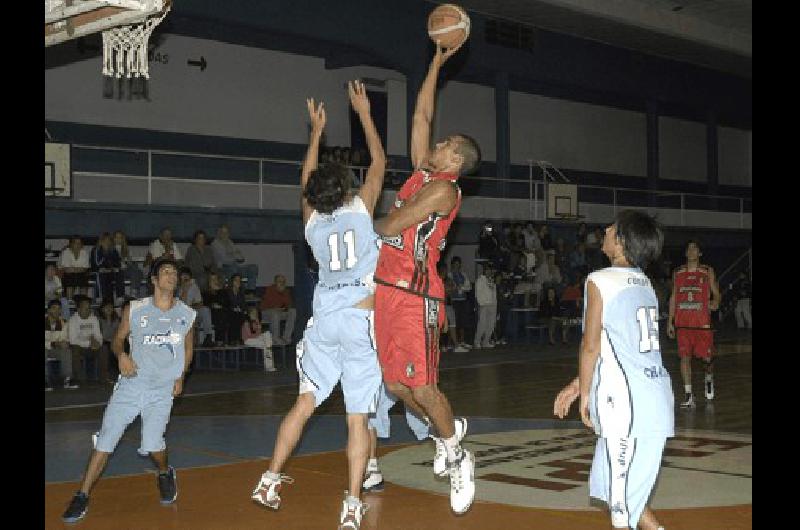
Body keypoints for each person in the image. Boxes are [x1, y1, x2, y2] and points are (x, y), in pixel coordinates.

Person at [251, 80, 386, 530]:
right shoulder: (362, 209)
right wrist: (364, 114)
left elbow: (304, 180)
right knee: (357, 417)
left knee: (305, 402)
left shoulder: (310, 221)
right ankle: (351, 503)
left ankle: (269, 478)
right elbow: (380, 161)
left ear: (314, 195)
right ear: (348, 186)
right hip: (360, 320)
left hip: (323, 321)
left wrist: (316, 133)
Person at [372, 41, 480, 515]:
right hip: (387, 290)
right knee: (395, 389)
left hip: (417, 296)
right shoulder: (423, 172)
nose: (433, 146)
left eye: (442, 145)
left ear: (454, 160)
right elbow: (421, 116)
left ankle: (458, 454)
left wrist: (358, 219)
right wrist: (434, 65)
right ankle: (447, 431)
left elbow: (391, 226)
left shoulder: (442, 190)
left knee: (423, 388)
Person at [552, 210, 673, 530]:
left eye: (612, 228)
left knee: (620, 508)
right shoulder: (645, 283)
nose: (604, 229)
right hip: (655, 397)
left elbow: (590, 345)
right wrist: (580, 382)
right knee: (619, 492)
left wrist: (587, 394)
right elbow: (620, 345)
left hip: (625, 401)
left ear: (620, 241)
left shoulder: (600, 280)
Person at [61, 257, 196, 523]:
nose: (171, 276)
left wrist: (181, 375)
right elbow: (118, 339)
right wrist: (121, 355)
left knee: (153, 445)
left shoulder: (187, 315)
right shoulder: (136, 309)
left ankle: (164, 472)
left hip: (162, 391)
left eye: (174, 272)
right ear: (154, 280)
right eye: (165, 272)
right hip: (132, 386)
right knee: (106, 440)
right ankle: (82, 495)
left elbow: (188, 348)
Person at [666, 240, 720, 408]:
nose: (691, 251)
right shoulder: (678, 272)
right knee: (684, 358)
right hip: (683, 323)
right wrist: (670, 320)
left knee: (707, 358)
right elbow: (674, 297)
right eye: (688, 248)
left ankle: (709, 378)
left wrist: (715, 302)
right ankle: (689, 396)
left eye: (695, 248)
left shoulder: (707, 271)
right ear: (685, 253)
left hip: (701, 322)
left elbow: (716, 293)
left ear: (700, 254)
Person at [362, 384, 432, 492]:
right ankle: (372, 470)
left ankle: (450, 446)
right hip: (374, 372)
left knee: (418, 398)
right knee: (368, 410)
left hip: (402, 371)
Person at [67, 295, 105, 383]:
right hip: (80, 347)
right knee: (74, 349)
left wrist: (98, 343)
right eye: (85, 309)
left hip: (92, 346)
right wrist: (89, 343)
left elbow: (99, 336)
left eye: (89, 308)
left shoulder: (94, 318)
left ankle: (103, 377)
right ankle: (78, 378)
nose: (88, 311)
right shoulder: (73, 320)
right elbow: (73, 340)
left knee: (104, 349)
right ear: (79, 309)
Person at [211, 224, 259, 290]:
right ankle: (236, 291)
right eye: (223, 232)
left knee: (253, 268)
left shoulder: (230, 242)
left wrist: (231, 254)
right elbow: (225, 260)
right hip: (223, 269)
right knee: (234, 269)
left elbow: (241, 257)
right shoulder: (215, 244)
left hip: (235, 266)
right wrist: (234, 255)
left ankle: (250, 291)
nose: (225, 235)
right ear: (219, 233)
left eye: (227, 232)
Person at [45, 299, 78, 390]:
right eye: (54, 308)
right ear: (48, 310)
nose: (57, 311)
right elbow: (54, 342)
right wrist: (53, 343)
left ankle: (67, 379)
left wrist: (63, 343)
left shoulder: (63, 322)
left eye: (59, 308)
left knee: (66, 351)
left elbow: (64, 338)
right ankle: (45, 380)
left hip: (55, 349)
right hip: (48, 348)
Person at [259, 275, 297, 346]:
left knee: (293, 311)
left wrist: (283, 295)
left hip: (279, 312)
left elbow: (288, 305)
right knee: (275, 313)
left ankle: (286, 337)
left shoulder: (286, 291)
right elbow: (270, 305)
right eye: (280, 281)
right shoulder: (270, 289)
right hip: (266, 312)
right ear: (275, 282)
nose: (282, 283)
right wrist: (279, 307)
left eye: (283, 282)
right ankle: (275, 338)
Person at [448, 256, 473, 350]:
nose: (457, 266)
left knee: (463, 322)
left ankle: (462, 341)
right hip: (454, 301)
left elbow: (469, 287)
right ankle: (451, 343)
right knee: (453, 323)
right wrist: (459, 287)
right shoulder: (449, 275)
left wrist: (461, 287)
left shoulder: (463, 274)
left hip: (463, 301)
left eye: (458, 264)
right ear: (452, 265)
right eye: (455, 264)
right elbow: (452, 287)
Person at [242, 306, 275, 372]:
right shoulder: (246, 323)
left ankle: (269, 366)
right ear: (249, 314)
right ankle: (269, 366)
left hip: (256, 338)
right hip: (248, 340)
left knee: (267, 334)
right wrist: (259, 331)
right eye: (253, 313)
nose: (255, 314)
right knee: (267, 346)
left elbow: (259, 333)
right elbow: (249, 335)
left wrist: (258, 325)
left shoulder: (256, 321)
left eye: (256, 313)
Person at [114, 231, 145, 298]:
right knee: (136, 271)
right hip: (116, 271)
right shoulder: (111, 248)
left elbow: (129, 262)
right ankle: (134, 291)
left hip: (126, 269)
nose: (118, 239)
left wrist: (128, 260)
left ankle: (133, 292)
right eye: (117, 237)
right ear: (114, 238)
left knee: (136, 271)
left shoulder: (126, 249)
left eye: (120, 237)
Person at [473, 262, 497, 349]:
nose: (489, 272)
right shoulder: (480, 280)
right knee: (482, 324)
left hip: (492, 305)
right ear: (484, 270)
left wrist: (494, 303)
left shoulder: (491, 280)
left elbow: (494, 293)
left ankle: (486, 341)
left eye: (490, 270)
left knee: (491, 325)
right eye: (487, 270)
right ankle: (477, 342)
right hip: (484, 305)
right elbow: (477, 294)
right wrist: (482, 304)